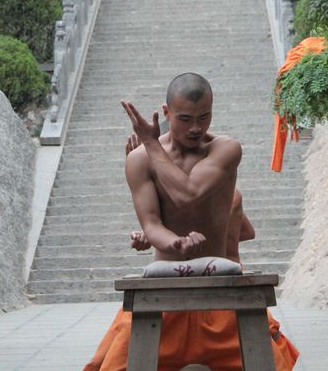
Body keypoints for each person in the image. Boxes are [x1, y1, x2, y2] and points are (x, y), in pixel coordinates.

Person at [83, 73, 298, 371]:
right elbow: (152, 223)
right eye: (185, 119)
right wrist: (174, 242)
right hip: (164, 290)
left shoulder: (226, 149)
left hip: (221, 293)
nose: (196, 127)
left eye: (204, 117)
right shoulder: (140, 160)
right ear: (167, 112)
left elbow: (188, 194)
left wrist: (150, 143)